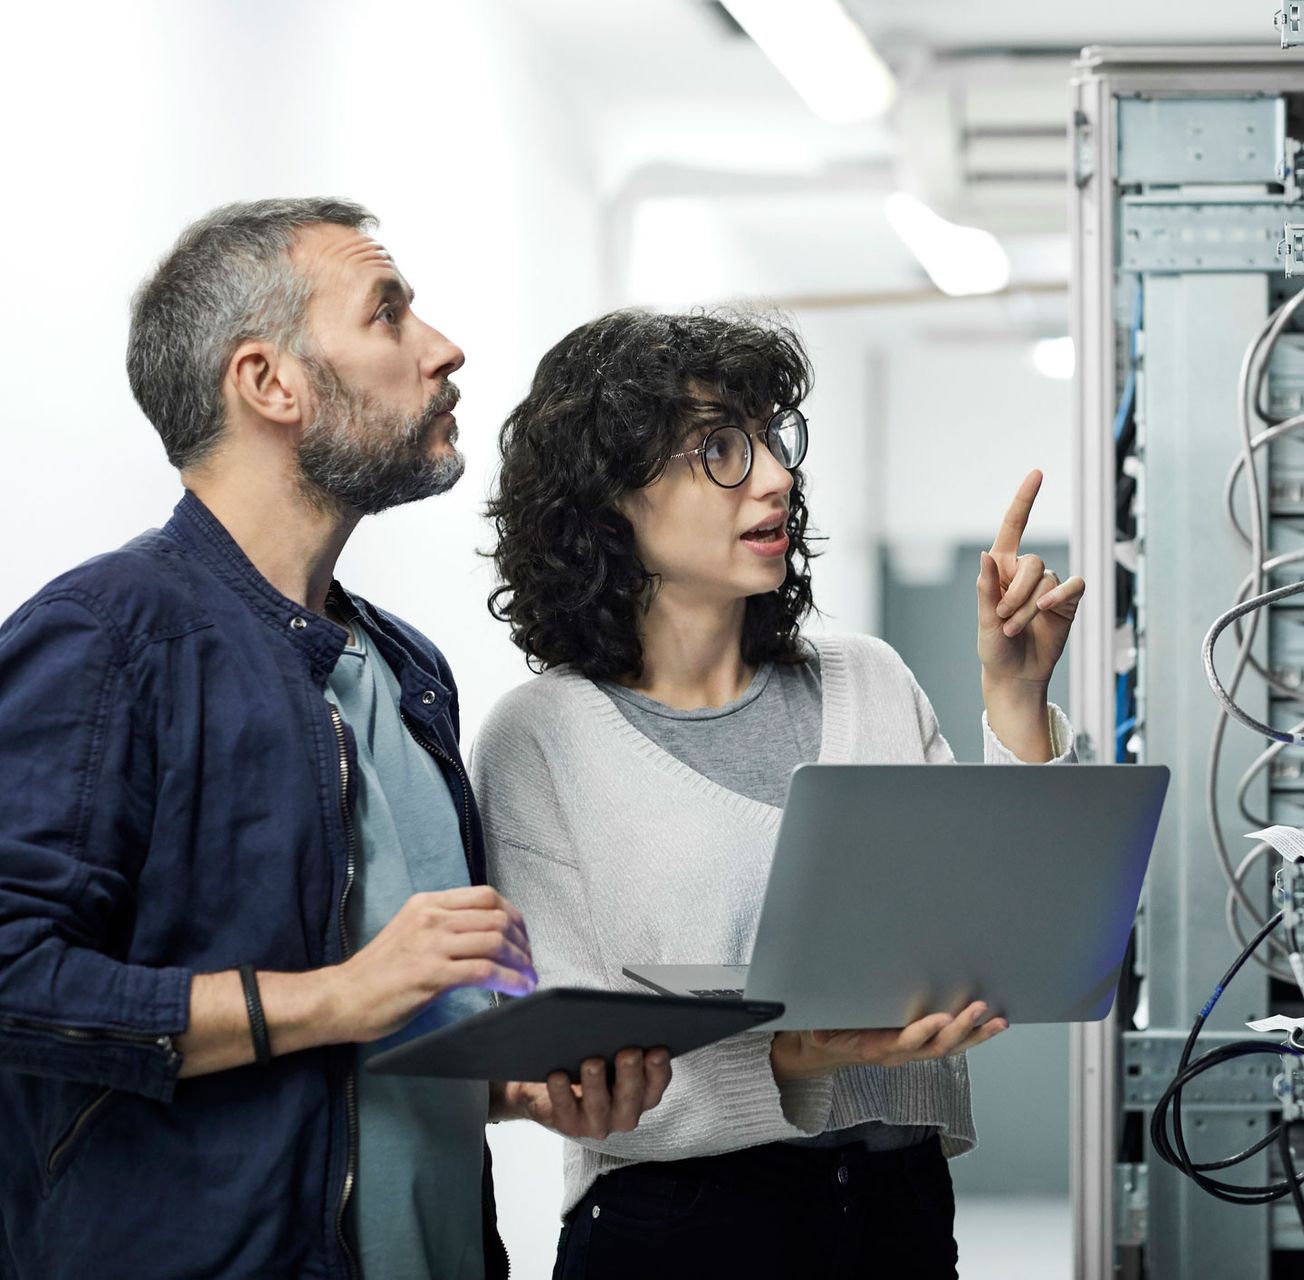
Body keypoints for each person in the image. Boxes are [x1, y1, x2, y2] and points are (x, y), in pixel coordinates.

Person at [0, 199, 670, 1280]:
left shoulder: (409, 670)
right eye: (390, 314)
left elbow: (357, 1062)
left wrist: (508, 1083)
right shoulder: (107, 639)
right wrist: (333, 995)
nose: (444, 349)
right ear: (271, 383)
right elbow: (15, 977)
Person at [471, 307, 1086, 1278]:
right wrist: (790, 1064)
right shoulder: (541, 737)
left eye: (769, 438)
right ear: (607, 501)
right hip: (678, 1228)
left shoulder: (867, 677)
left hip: (899, 1210)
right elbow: (581, 1061)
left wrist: (1014, 692)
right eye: (719, 447)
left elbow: (1006, 927)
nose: (775, 474)